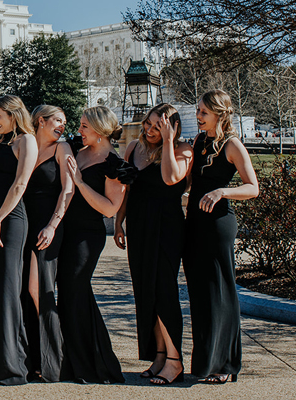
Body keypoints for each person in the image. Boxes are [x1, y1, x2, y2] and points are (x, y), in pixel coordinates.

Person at [113, 103, 192, 386]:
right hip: (138, 225)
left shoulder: (183, 150)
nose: (149, 129)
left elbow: (171, 178)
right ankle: (159, 356)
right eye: (148, 123)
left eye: (157, 126)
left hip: (167, 227)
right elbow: (127, 187)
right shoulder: (134, 147)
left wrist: (169, 141)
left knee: (163, 291)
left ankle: (175, 360)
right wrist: (118, 221)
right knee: (145, 290)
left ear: (171, 127)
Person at [184, 90, 259, 384]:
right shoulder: (199, 141)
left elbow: (253, 187)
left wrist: (222, 191)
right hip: (194, 224)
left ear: (219, 113)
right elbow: (187, 181)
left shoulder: (232, 145)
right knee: (200, 296)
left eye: (203, 112)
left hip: (218, 225)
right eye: (198, 111)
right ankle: (205, 363)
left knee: (220, 293)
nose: (198, 117)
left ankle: (226, 364)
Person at [58, 106, 126, 384]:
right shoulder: (76, 150)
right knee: (71, 292)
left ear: (99, 130)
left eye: (85, 126)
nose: (79, 130)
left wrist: (80, 183)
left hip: (88, 234)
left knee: (75, 289)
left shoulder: (114, 164)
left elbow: (110, 209)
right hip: (65, 230)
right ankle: (72, 360)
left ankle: (95, 363)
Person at [0, 94, 37, 386]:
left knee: (7, 287)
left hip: (10, 221)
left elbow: (21, 183)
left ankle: (12, 365)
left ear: (13, 115)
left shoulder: (26, 141)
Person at [22, 105, 74, 382]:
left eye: (65, 122)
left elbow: (68, 188)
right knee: (23, 290)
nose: (63, 126)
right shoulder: (24, 145)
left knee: (39, 289)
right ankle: (30, 359)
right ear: (41, 121)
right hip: (21, 224)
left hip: (48, 225)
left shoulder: (62, 148)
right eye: (58, 121)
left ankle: (53, 361)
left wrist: (53, 224)